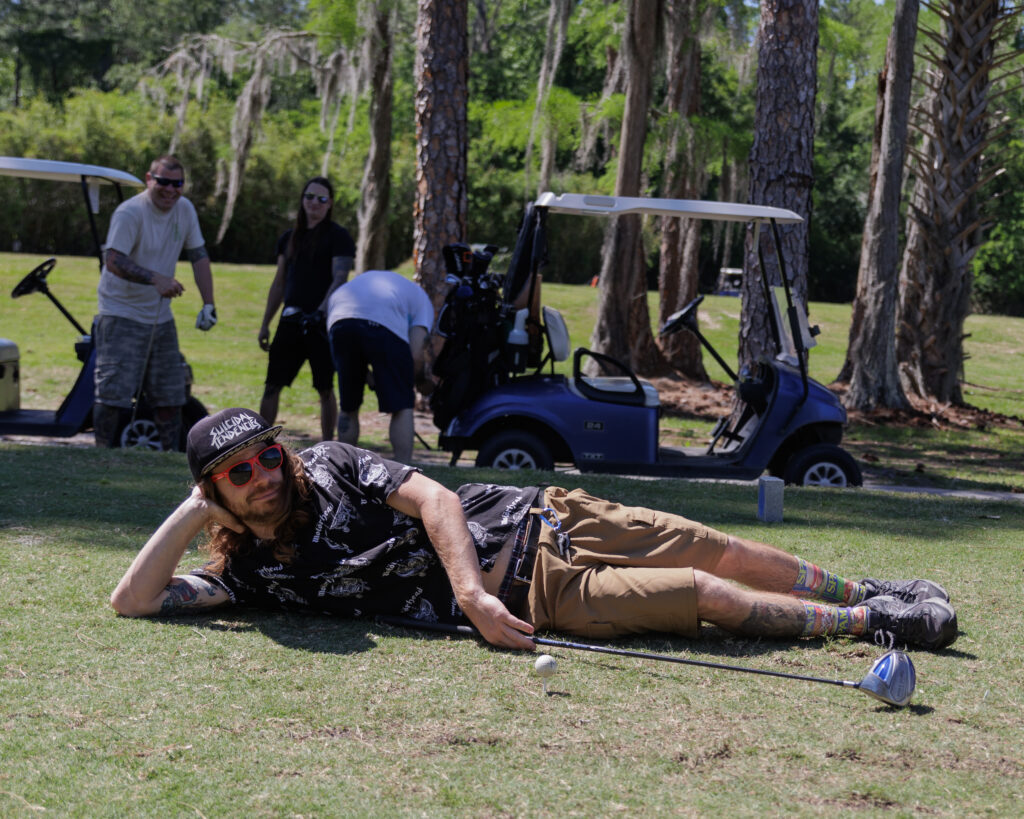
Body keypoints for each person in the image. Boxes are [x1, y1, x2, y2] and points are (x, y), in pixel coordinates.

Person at [111, 408, 958, 654]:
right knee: (698, 595)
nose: (261, 477)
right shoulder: (248, 577)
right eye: (236, 475)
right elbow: (132, 601)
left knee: (717, 545)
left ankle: (865, 587)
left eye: (263, 457)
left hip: (540, 513)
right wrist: (193, 514)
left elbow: (436, 500)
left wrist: (466, 591)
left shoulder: (330, 461)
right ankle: (874, 623)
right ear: (216, 490)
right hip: (542, 593)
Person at [94, 155, 217, 451]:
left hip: (160, 318)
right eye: (163, 182)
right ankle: (99, 455)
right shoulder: (130, 213)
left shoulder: (184, 210)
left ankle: (168, 459)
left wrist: (209, 303)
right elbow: (113, 260)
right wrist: (155, 279)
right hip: (121, 313)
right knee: (112, 396)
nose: (170, 190)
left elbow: (198, 255)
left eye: (177, 184)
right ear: (149, 179)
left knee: (171, 395)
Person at [258, 177, 355, 441]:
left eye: (321, 199)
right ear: (302, 200)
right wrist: (266, 322)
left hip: (320, 324)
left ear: (330, 204)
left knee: (325, 387)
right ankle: (262, 442)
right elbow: (279, 282)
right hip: (290, 321)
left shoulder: (339, 237)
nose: (315, 203)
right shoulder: (289, 238)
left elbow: (339, 278)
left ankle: (328, 446)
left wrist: (321, 312)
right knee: (272, 385)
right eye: (310, 197)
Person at [325, 270, 435, 462]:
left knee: (349, 405)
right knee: (402, 406)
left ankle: (344, 469)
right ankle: (405, 470)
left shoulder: (394, 289)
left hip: (340, 318)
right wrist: (417, 381)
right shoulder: (424, 302)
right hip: (383, 325)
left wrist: (371, 377)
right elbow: (416, 354)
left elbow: (345, 350)